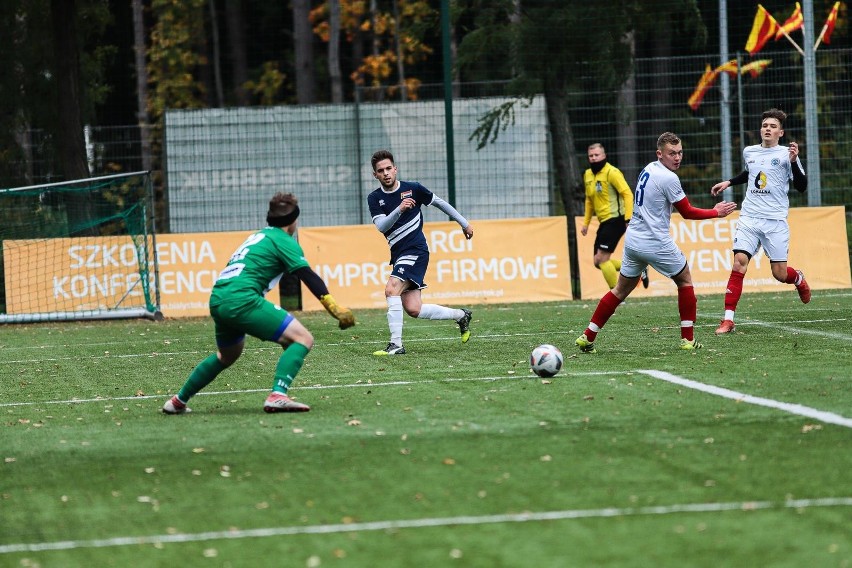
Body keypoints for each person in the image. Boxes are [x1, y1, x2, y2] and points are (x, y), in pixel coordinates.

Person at [163, 192, 355, 414]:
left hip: (219, 298)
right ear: (294, 220)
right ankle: (278, 395)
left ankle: (178, 401)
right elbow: (307, 275)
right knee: (303, 339)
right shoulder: (283, 240)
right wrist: (334, 307)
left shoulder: (258, 236)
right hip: (242, 299)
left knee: (227, 355)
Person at [575, 132, 737, 353]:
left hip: (633, 240)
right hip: (654, 241)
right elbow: (687, 212)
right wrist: (715, 212)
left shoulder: (649, 168)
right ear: (660, 154)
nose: (677, 157)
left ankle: (587, 336)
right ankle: (687, 340)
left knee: (620, 290)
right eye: (672, 153)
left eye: (680, 152)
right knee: (685, 279)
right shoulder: (669, 178)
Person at [710, 108, 810, 335]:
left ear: (780, 133)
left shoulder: (787, 154)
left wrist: (793, 162)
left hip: (775, 221)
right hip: (749, 217)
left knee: (779, 274)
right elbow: (750, 173)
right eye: (765, 125)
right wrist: (729, 182)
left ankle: (798, 278)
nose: (768, 129)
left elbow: (802, 187)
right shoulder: (750, 151)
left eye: (773, 126)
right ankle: (728, 320)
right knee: (739, 262)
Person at [367, 149, 474, 355]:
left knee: (391, 290)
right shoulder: (375, 198)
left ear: (395, 169)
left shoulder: (413, 188)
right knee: (414, 308)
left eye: (389, 168)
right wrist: (400, 209)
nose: (386, 173)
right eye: (381, 171)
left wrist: (464, 223)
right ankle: (461, 315)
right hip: (399, 254)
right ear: (376, 175)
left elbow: (440, 203)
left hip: (416, 250)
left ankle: (396, 344)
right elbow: (381, 226)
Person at [581, 143, 649, 290]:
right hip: (604, 221)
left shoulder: (612, 172)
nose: (593, 158)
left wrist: (628, 218)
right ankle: (639, 270)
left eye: (596, 155)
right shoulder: (587, 175)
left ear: (604, 156)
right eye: (591, 156)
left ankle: (616, 293)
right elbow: (589, 200)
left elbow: (627, 194)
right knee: (597, 262)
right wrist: (586, 223)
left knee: (602, 259)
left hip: (616, 219)